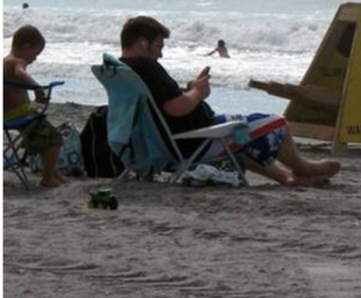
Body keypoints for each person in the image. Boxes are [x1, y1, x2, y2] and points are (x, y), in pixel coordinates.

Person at [118, 16, 339, 187]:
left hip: (162, 141)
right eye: (159, 46)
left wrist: (191, 91)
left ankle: (287, 177)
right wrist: (199, 93)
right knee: (276, 123)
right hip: (192, 142)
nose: (161, 54)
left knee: (241, 137)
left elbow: (165, 107)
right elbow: (176, 108)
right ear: (143, 43)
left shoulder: (123, 69)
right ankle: (303, 167)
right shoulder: (147, 66)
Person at [3, 25, 65, 187]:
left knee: (43, 136)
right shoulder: (17, 62)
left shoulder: (4, 62)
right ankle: (48, 178)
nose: (35, 58)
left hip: (7, 115)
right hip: (20, 116)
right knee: (54, 138)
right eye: (36, 53)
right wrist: (37, 88)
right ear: (26, 47)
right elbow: (20, 73)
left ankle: (54, 173)